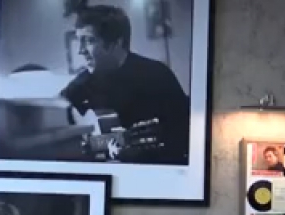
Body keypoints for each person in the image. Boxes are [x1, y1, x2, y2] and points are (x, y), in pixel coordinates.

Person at [60, 5, 190, 165]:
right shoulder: (78, 87)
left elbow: (186, 137)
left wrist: (138, 155)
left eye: (89, 41)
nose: (80, 51)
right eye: (79, 41)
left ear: (116, 43)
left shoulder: (157, 76)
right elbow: (60, 137)